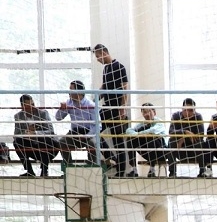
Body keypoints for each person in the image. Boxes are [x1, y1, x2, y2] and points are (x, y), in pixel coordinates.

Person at [93, 44, 131, 176]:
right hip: (106, 108)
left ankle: (121, 171)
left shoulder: (119, 67)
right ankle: (112, 159)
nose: (97, 59)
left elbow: (125, 88)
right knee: (98, 134)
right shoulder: (106, 69)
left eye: (98, 56)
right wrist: (96, 98)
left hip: (116, 108)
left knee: (118, 141)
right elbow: (104, 86)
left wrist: (122, 108)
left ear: (104, 53)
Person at [13, 94, 57, 177]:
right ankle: (29, 171)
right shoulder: (18, 116)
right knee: (17, 142)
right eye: (29, 105)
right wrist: (27, 132)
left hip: (49, 147)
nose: (32, 107)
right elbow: (16, 135)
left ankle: (44, 171)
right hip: (32, 147)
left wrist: (35, 133)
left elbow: (51, 131)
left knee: (43, 139)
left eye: (33, 104)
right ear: (22, 106)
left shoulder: (43, 113)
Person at [56, 81, 99, 165]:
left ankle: (91, 166)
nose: (69, 92)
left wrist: (86, 136)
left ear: (78, 91)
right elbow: (58, 118)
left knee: (92, 144)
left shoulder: (90, 105)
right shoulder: (69, 102)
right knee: (62, 142)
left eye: (71, 89)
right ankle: (69, 166)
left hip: (87, 132)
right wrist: (62, 109)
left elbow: (97, 125)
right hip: (74, 133)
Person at [126, 103, 169, 178]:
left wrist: (139, 133)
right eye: (144, 112)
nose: (147, 114)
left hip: (162, 152)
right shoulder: (142, 124)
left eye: (149, 111)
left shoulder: (159, 122)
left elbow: (153, 130)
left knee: (151, 137)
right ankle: (134, 170)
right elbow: (128, 131)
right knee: (130, 139)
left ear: (154, 112)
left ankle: (152, 170)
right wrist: (137, 134)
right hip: (148, 152)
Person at [170, 98, 205, 176]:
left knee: (200, 142)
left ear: (194, 110)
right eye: (186, 110)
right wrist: (184, 132)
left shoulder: (198, 116)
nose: (188, 113)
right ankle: (172, 172)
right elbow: (171, 132)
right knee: (171, 141)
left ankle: (202, 171)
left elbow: (201, 134)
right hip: (180, 149)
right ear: (182, 109)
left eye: (191, 110)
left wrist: (184, 137)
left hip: (193, 148)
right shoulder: (176, 116)